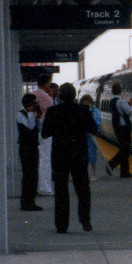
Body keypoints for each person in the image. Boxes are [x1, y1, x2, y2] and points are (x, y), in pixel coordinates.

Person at [41, 83, 98, 233]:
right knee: (83, 189)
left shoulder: (52, 111)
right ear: (74, 96)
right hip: (79, 155)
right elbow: (93, 129)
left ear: (60, 96)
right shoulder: (83, 111)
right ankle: (85, 220)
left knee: (61, 190)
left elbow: (45, 133)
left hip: (60, 156)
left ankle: (62, 225)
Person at [16, 93, 44, 210]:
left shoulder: (31, 113)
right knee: (28, 175)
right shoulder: (20, 114)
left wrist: (37, 116)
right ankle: (26, 202)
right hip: (25, 147)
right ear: (27, 104)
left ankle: (31, 201)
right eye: (33, 103)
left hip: (33, 146)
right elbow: (30, 127)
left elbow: (39, 127)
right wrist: (31, 114)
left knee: (33, 174)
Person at [105, 82, 132, 179]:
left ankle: (124, 172)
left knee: (124, 149)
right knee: (125, 149)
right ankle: (111, 164)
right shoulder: (121, 101)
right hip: (124, 128)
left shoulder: (112, 101)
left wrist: (129, 104)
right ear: (120, 91)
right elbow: (129, 112)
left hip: (117, 127)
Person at [32, 74, 55, 196]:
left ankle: (41, 186)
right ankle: (45, 187)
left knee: (41, 158)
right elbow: (52, 111)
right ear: (46, 83)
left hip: (36, 130)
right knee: (45, 159)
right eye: (49, 83)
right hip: (45, 130)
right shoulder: (45, 97)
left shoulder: (33, 94)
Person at [81, 94, 101, 180]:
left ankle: (93, 173)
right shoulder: (80, 111)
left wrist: (95, 131)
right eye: (85, 102)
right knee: (83, 156)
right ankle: (85, 174)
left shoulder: (95, 111)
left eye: (88, 102)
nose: (87, 104)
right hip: (82, 137)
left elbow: (98, 122)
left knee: (92, 156)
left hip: (92, 137)